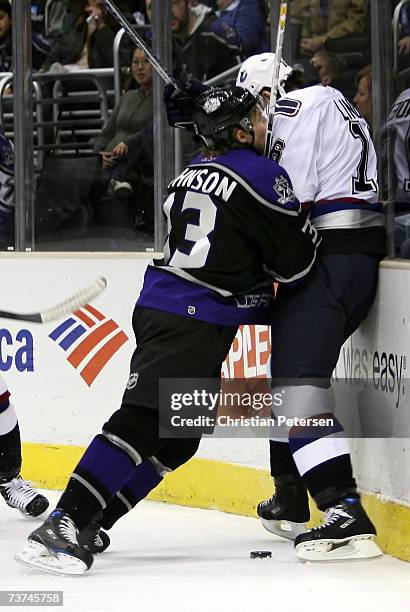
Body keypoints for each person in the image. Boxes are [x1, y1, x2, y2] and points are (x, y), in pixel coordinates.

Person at [18, 84, 321, 575]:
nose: (267, 124)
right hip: (190, 318)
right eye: (258, 118)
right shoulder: (263, 174)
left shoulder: (189, 174)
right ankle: (64, 521)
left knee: (180, 438)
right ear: (239, 130)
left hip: (173, 306)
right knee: (142, 418)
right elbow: (297, 265)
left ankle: (94, 519)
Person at [236, 52, 385, 561]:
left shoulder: (294, 108)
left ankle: (344, 511)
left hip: (327, 260)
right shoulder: (331, 101)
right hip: (352, 254)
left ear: (266, 94)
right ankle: (290, 494)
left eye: (252, 113)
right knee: (288, 381)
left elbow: (287, 203)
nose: (252, 124)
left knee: (298, 390)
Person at [90, 46, 154, 227]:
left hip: (140, 162)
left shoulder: (162, 98)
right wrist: (100, 153)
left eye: (146, 61)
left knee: (144, 139)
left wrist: (129, 143)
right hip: (111, 161)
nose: (140, 67)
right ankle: (114, 179)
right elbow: (106, 134)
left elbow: (154, 131)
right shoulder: (127, 98)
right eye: (135, 62)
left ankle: (118, 178)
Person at [170, 0, 241, 81]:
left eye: (173, 2)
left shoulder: (215, 32)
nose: (168, 13)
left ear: (188, 2)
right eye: (152, 8)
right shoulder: (159, 40)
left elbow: (236, 84)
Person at [39, 0, 117, 72]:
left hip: (96, 75)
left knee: (61, 77)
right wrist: (44, 68)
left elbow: (117, 60)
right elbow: (58, 50)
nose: (98, 1)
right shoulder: (72, 20)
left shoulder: (119, 23)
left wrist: (101, 26)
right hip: (71, 71)